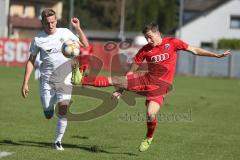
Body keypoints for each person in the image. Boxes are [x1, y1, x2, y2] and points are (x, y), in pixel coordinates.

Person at [71, 22, 230, 152]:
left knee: (150, 114)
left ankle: (148, 137)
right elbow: (131, 71)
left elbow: (194, 50)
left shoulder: (173, 43)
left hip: (160, 87)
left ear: (157, 33)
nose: (149, 41)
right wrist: (120, 90)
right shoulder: (145, 50)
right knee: (115, 79)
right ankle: (80, 80)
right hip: (145, 79)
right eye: (146, 38)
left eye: (150, 37)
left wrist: (215, 55)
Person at [21, 8, 89, 150]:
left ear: (56, 20)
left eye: (53, 22)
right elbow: (31, 61)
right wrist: (25, 82)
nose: (51, 25)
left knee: (63, 109)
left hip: (65, 78)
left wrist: (78, 28)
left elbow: (85, 44)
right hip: (46, 80)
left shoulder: (65, 33)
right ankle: (49, 107)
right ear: (42, 23)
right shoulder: (38, 40)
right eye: (47, 23)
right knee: (48, 113)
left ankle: (58, 141)